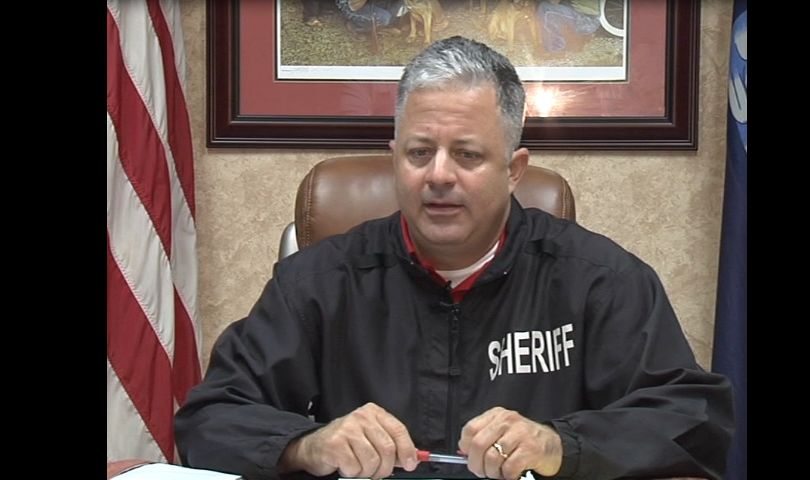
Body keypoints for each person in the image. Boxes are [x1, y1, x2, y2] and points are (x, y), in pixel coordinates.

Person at [175, 36, 734, 480]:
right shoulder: (317, 282)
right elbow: (210, 418)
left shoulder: (600, 281)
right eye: (420, 152)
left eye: (467, 155)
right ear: (395, 159)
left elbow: (694, 420)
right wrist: (308, 444)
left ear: (513, 170)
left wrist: (561, 445)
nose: (438, 175)